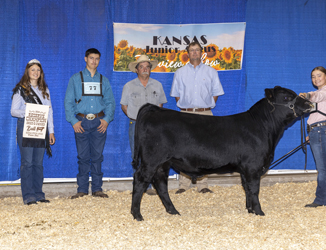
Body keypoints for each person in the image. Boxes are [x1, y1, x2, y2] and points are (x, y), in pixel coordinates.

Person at [170, 41, 224, 194]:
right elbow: (176, 95)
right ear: (187, 53)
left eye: (197, 50)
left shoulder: (211, 72)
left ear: (202, 53)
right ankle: (183, 185)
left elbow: (216, 93)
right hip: (186, 114)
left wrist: (207, 106)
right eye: (191, 50)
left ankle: (203, 184)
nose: (194, 52)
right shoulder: (180, 73)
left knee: (205, 148)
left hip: (205, 114)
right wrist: (184, 106)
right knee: (183, 148)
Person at [65, 48, 116, 199]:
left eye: (97, 59)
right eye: (91, 58)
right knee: (82, 156)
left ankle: (97, 189)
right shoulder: (76, 79)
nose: (94, 61)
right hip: (81, 122)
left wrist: (107, 120)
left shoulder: (103, 80)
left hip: (99, 122)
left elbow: (110, 102)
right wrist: (74, 121)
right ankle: (81, 189)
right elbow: (68, 102)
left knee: (98, 156)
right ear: (85, 59)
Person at [120, 55, 167, 195]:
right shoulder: (129, 86)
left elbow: (160, 104)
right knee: (137, 155)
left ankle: (151, 186)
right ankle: (139, 186)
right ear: (136, 70)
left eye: (147, 67)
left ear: (150, 69)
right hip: (136, 125)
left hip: (154, 127)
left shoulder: (157, 85)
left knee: (153, 155)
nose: (145, 69)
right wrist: (135, 117)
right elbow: (124, 105)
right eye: (142, 67)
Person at [11, 59, 56, 205]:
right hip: (26, 126)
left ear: (41, 73)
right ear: (28, 72)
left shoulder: (45, 90)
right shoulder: (21, 89)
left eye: (38, 70)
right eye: (33, 70)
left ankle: (39, 194)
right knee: (27, 162)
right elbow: (13, 111)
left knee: (38, 163)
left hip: (41, 128)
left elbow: (49, 112)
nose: (36, 72)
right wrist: (29, 112)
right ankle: (28, 196)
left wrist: (51, 131)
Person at [299, 66, 326, 207]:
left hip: (320, 131)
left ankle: (321, 200)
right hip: (317, 131)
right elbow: (315, 115)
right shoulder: (319, 92)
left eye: (319, 75)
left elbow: (318, 96)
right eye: (313, 77)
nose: (316, 79)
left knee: (322, 168)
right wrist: (310, 134)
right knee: (325, 167)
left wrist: (306, 95)